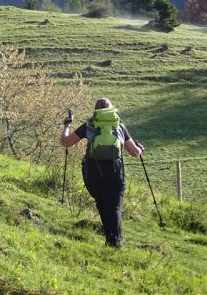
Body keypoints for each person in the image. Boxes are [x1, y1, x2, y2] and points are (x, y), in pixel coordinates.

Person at [59, 98, 145, 248]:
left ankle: (110, 240)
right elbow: (134, 152)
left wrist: (67, 125)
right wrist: (140, 148)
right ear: (111, 110)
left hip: (93, 172)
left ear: (96, 111)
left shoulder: (89, 126)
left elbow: (65, 142)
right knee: (114, 206)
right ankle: (115, 242)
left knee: (102, 204)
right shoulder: (119, 126)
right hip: (115, 170)